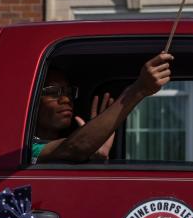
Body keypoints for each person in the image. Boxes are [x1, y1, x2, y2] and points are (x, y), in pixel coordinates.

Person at [32, 52, 173, 164]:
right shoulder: (28, 149)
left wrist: (97, 156)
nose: (66, 99)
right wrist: (139, 90)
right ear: (32, 101)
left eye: (69, 92)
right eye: (53, 92)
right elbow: (74, 147)